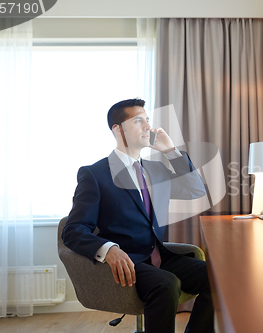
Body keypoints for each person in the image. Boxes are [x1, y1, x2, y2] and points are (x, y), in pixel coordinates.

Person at [62, 98, 214, 333]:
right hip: (130, 261)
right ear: (118, 129)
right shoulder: (95, 174)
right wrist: (109, 249)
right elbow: (73, 230)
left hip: (161, 256)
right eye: (138, 121)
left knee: (217, 277)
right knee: (167, 283)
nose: (147, 127)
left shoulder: (156, 171)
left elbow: (196, 190)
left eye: (147, 120)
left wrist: (171, 151)